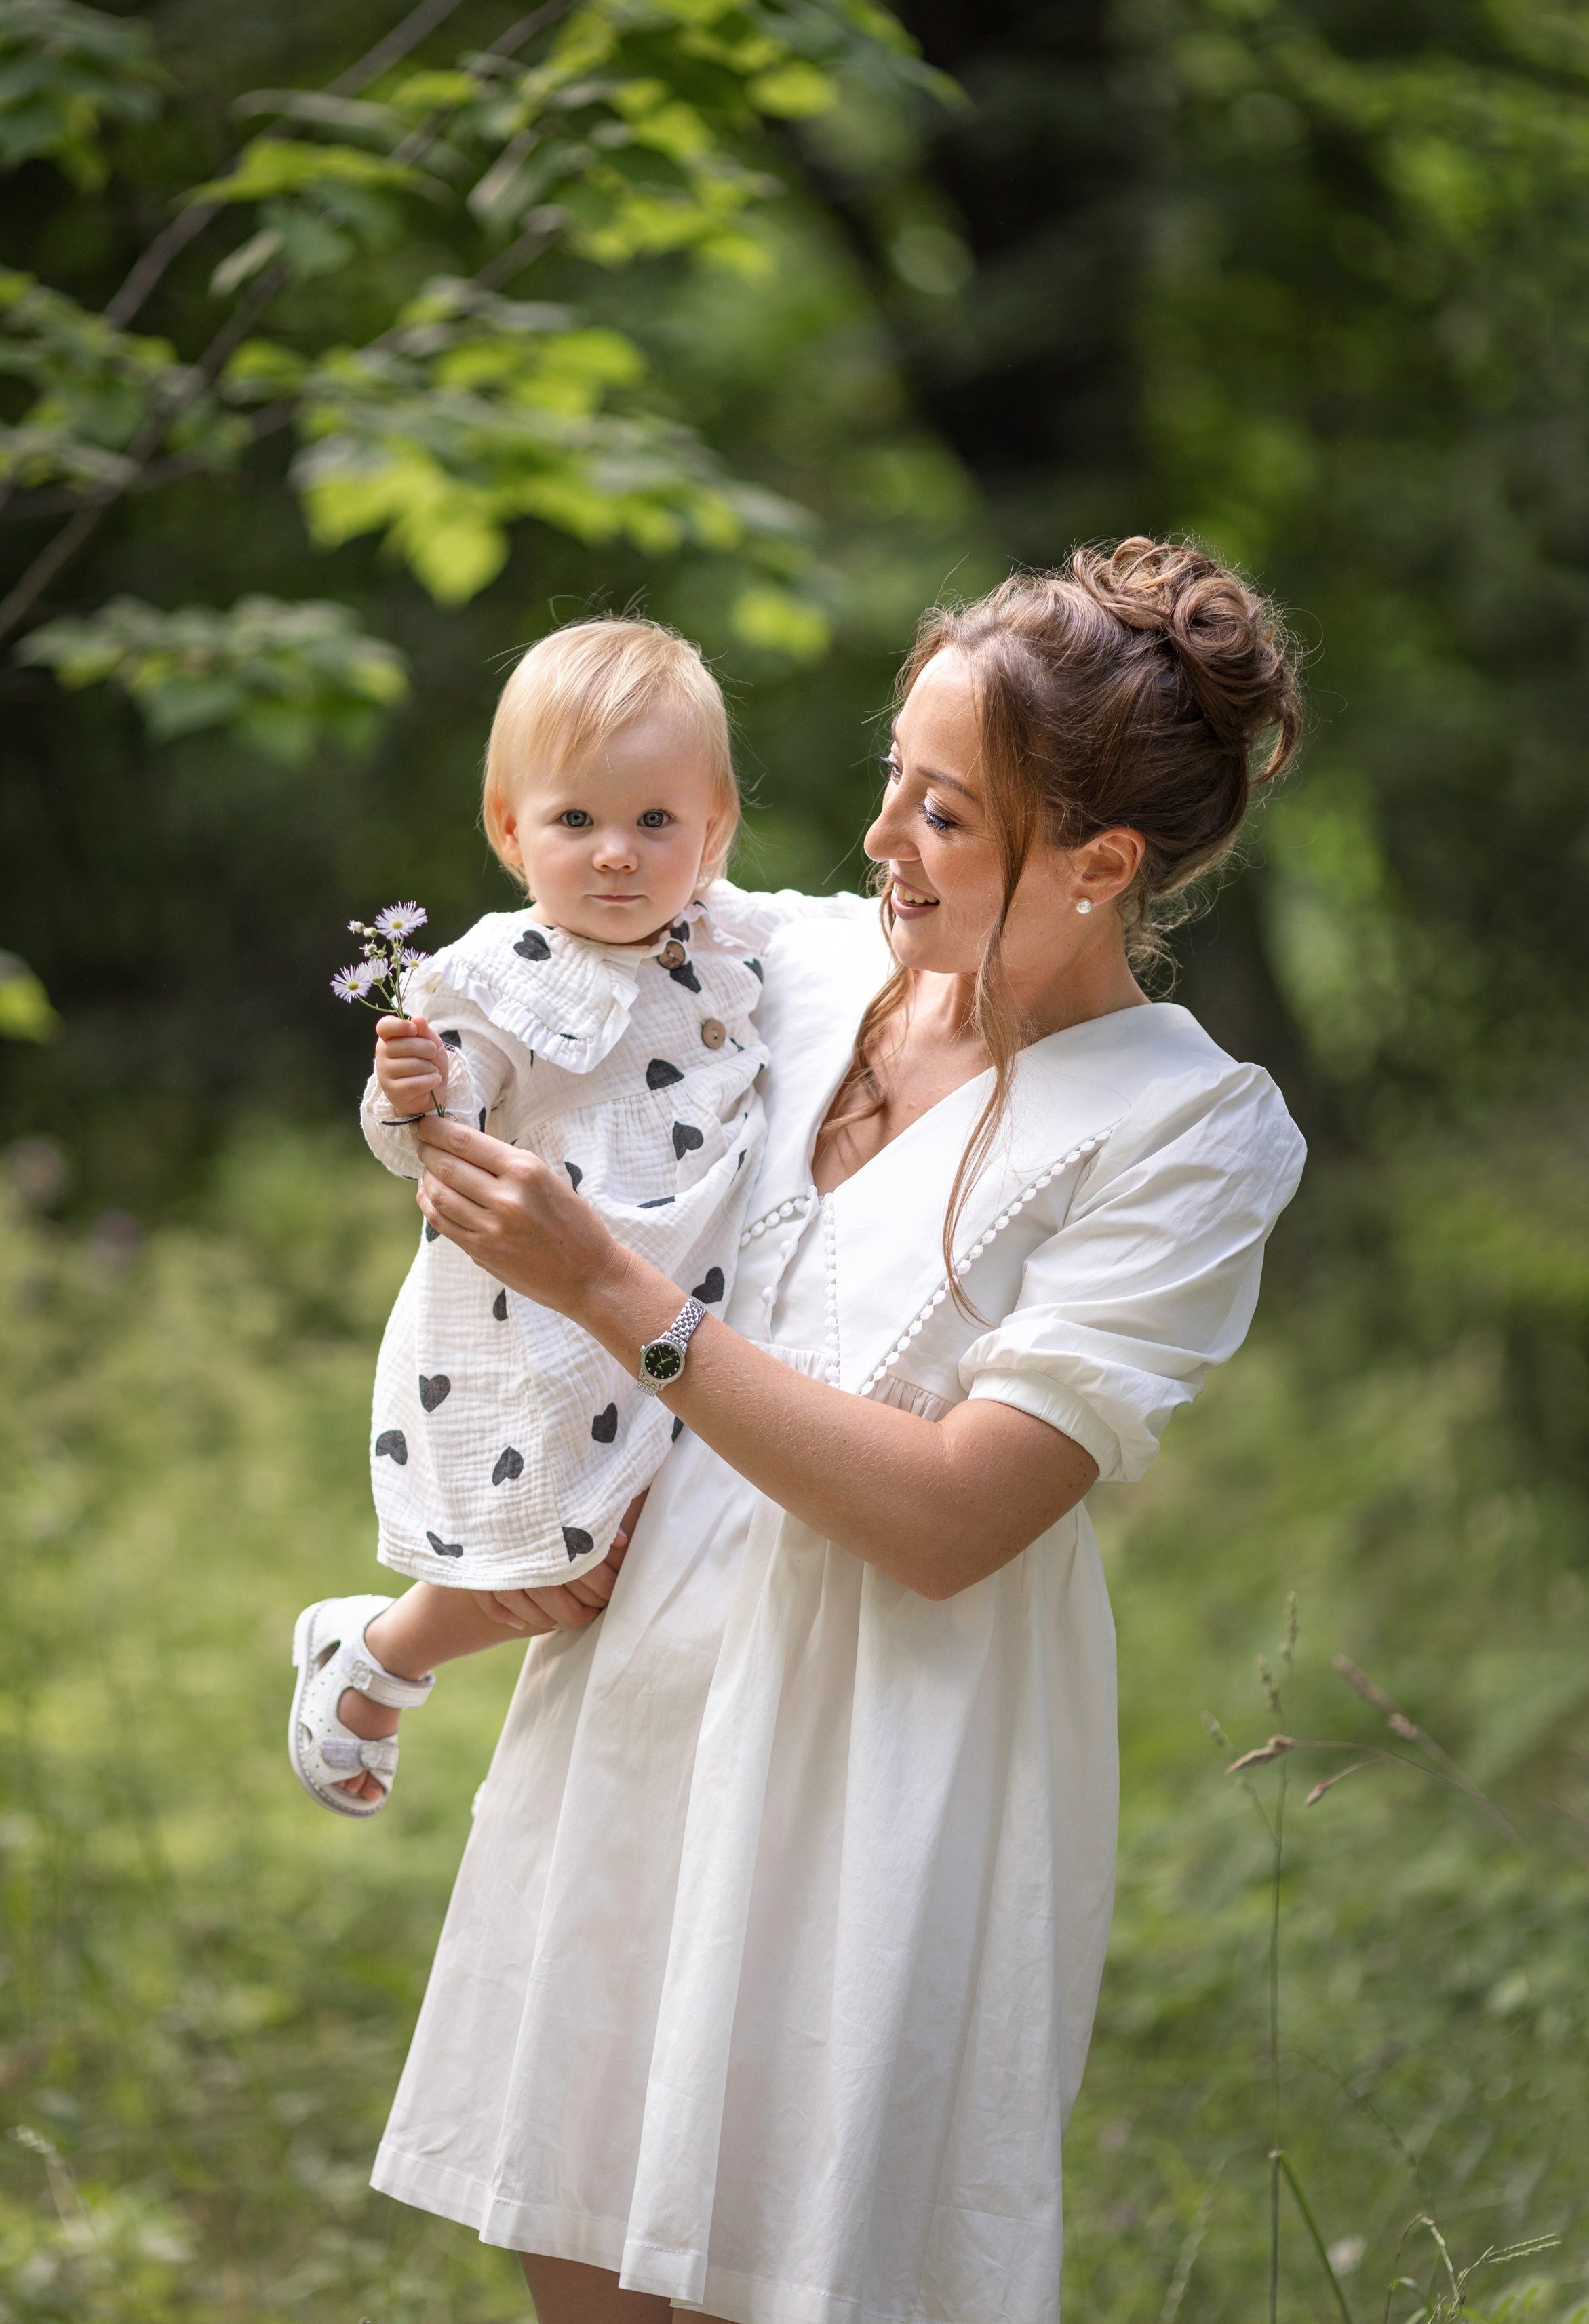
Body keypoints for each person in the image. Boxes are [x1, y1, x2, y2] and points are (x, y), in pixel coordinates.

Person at [369, 539, 1309, 2324]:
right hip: (643, 1700)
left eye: (946, 816)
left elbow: (960, 1517)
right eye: (896, 776)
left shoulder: (1185, 1131)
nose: (881, 840)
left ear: (1103, 865)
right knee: (579, 2230)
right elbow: (539, 952)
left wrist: (615, 1298)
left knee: (786, 2264)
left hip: (881, 1751)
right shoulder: (782, 967)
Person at [288, 616, 853, 1819]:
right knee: (567, 1558)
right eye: (576, 820)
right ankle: (378, 1655)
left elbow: (853, 940)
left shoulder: (729, 935)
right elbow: (426, 1140)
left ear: (714, 831)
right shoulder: (491, 980)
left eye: (656, 821)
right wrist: (411, 1093)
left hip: (690, 1304)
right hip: (550, 1314)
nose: (616, 856)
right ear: (510, 828)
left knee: (648, 1541)